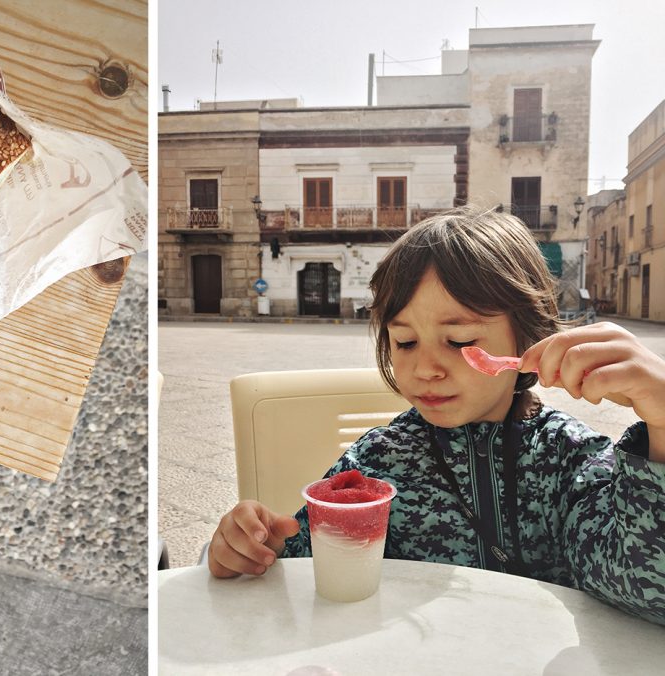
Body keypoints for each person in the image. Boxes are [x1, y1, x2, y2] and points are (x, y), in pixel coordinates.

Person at [207, 206, 665, 625]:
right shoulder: (376, 465)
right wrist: (252, 548)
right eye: (404, 342)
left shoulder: (569, 458)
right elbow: (304, 570)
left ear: (528, 336)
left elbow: (645, 589)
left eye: (461, 340)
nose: (425, 369)